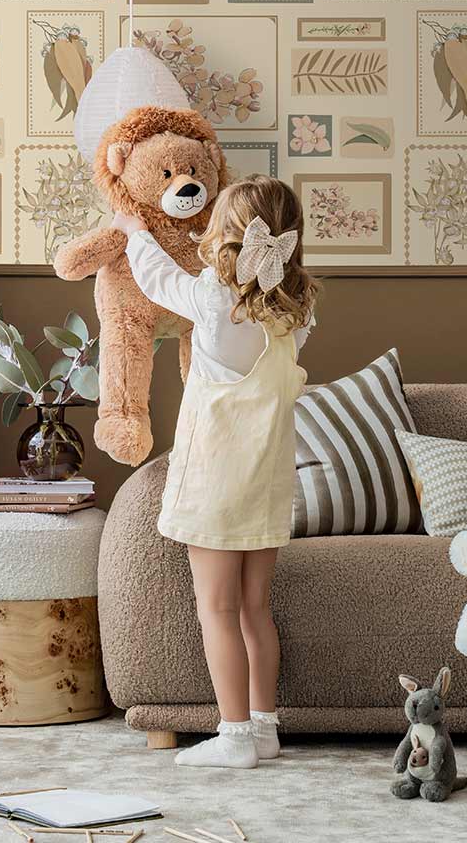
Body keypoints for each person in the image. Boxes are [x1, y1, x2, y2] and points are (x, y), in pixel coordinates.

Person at [112, 176, 318, 769]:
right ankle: (263, 725)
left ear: (227, 235)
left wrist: (135, 231)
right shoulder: (297, 313)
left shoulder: (210, 298)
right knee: (255, 609)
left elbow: (156, 278)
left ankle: (233, 737)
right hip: (270, 480)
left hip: (216, 480)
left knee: (217, 610)